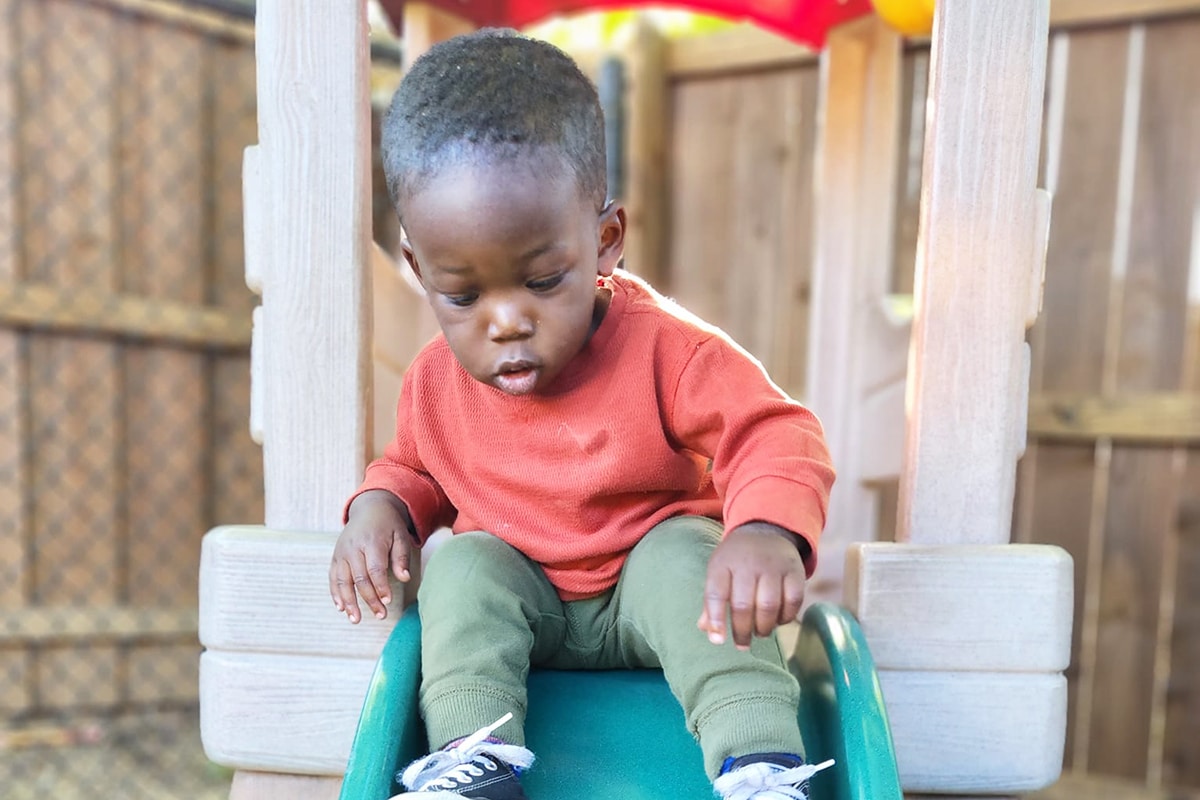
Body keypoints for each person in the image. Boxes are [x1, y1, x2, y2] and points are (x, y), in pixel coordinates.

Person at [329, 28, 836, 800]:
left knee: (688, 559)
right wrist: (378, 507)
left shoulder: (669, 351)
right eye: (463, 296)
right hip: (527, 608)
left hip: (649, 594)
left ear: (604, 242)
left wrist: (765, 530)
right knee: (463, 566)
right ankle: (475, 756)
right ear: (419, 271)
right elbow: (413, 465)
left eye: (541, 280)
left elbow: (774, 431)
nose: (505, 321)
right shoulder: (436, 380)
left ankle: (759, 761)